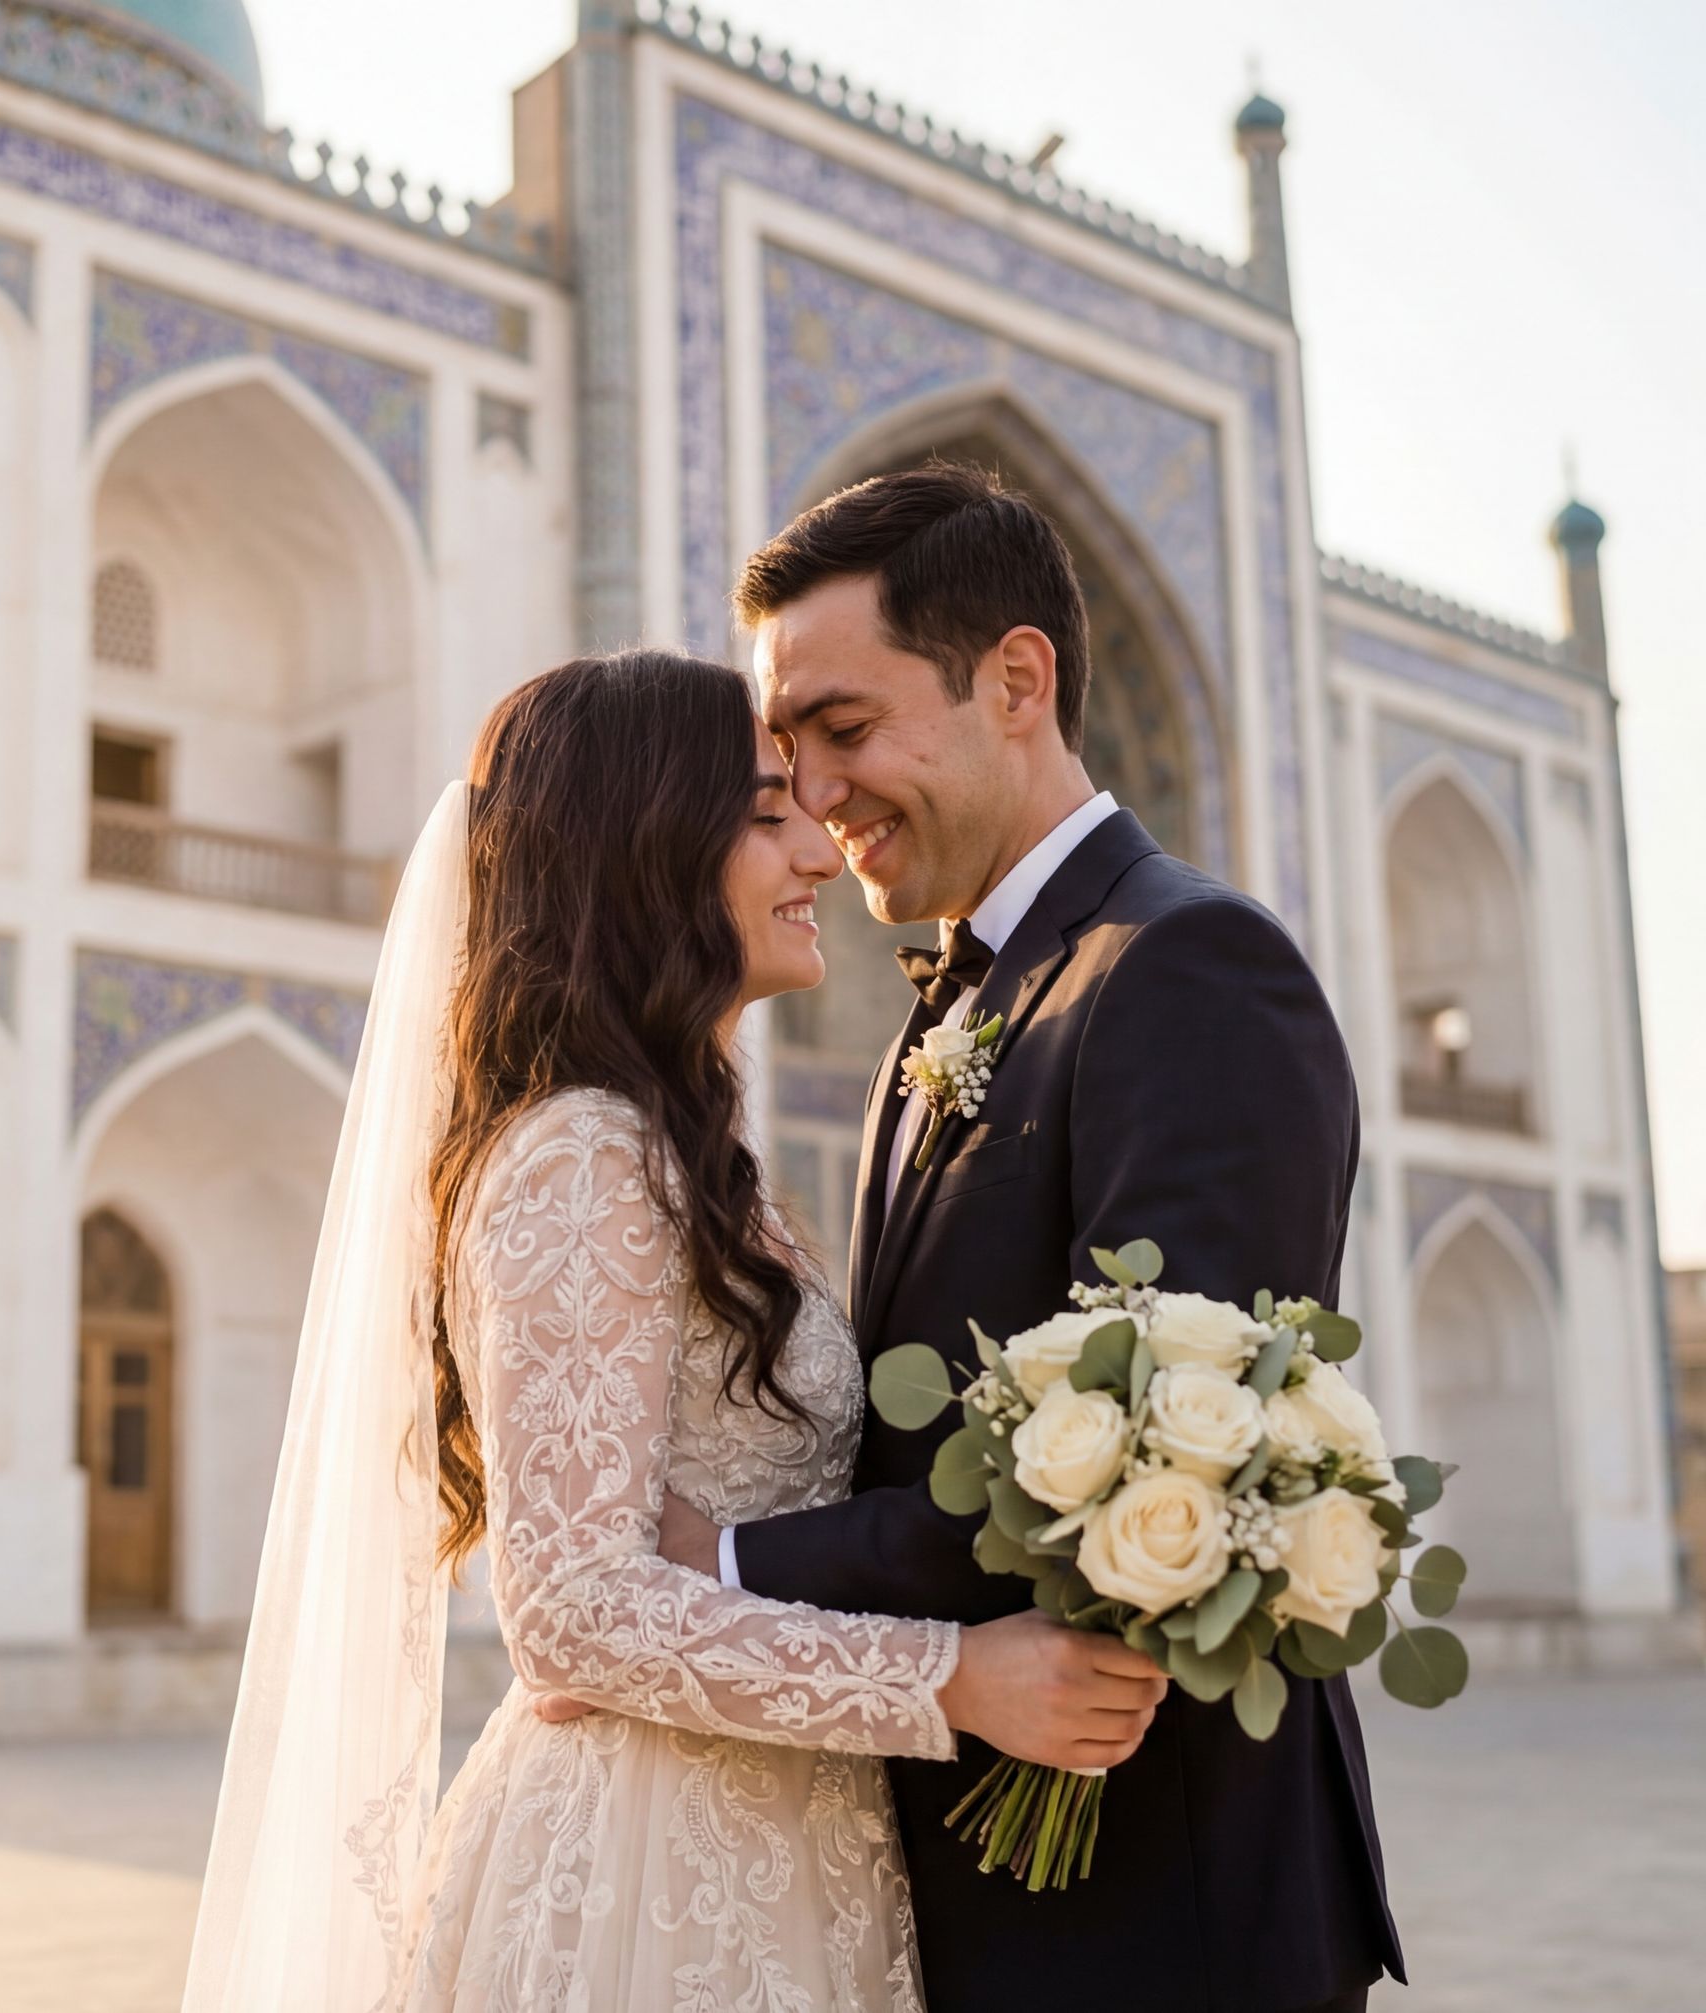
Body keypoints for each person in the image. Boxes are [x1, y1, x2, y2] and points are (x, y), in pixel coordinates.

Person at [180, 647, 1164, 2012]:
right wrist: (954, 1679)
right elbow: (573, 1614)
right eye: (765, 814)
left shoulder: (682, 1155)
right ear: (641, 849)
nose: (820, 847)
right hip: (646, 1882)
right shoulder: (580, 1153)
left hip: (781, 1844)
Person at [647, 460, 1404, 2012]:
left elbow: (1150, 1463)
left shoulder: (1189, 965)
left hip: (1158, 1901)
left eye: (844, 729)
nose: (812, 794)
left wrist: (717, 1563)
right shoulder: (958, 1007)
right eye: (785, 752)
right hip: (983, 1862)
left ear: (1015, 680)